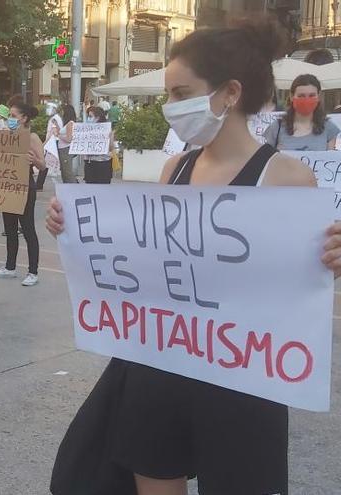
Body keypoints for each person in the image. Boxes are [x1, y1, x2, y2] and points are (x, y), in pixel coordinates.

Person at [47, 19, 325, 495]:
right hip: (161, 367)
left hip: (244, 380)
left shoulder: (286, 178)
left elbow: (305, 279)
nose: (170, 107)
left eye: (180, 93)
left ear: (229, 93)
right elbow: (148, 259)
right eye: (168, 94)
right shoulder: (175, 168)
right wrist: (75, 227)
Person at [0, 102, 45, 287]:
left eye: (13, 115)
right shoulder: (7, 136)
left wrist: (33, 159)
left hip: (25, 186)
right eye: (9, 116)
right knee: (10, 229)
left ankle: (33, 271)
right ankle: (10, 267)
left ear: (24, 118)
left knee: (28, 229)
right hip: (8, 185)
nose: (10, 119)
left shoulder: (32, 137)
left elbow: (43, 165)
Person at [264, 74, 339, 151]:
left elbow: (329, 160)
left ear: (319, 96)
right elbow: (267, 158)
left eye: (312, 95)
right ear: (291, 96)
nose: (307, 100)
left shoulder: (329, 128)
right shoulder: (276, 127)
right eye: (301, 96)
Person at [81, 106, 115, 184]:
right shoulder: (85, 130)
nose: (88, 119)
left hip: (103, 163)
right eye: (88, 116)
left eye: (90, 116)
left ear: (98, 117)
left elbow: (111, 148)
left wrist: (111, 138)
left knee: (103, 187)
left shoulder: (107, 129)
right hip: (90, 162)